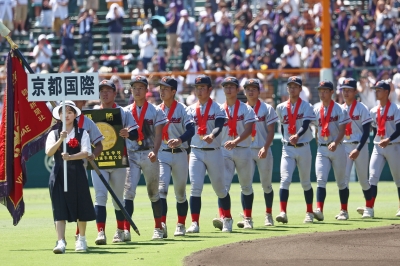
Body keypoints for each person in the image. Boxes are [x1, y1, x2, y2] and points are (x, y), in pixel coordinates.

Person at [92, 80, 139, 245]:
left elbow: (136, 133)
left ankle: (119, 231)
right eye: (102, 90)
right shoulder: (93, 113)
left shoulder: (123, 112)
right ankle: (100, 232)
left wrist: (128, 133)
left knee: (118, 198)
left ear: (114, 93)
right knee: (100, 197)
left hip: (118, 160)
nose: (105, 93)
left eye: (108, 90)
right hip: (99, 160)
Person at [46, 102, 96, 253]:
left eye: (69, 112)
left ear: (75, 115)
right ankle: (61, 241)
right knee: (59, 207)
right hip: (58, 173)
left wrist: (71, 157)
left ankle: (81, 239)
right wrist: (61, 140)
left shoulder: (82, 133)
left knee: (81, 205)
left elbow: (86, 152)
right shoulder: (53, 134)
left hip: (77, 172)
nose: (66, 115)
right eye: (63, 112)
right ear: (59, 116)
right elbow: (49, 152)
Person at [186, 75, 232, 233]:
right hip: (196, 151)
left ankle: (227, 219)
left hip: (214, 152)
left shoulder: (218, 107)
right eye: (197, 88)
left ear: (209, 89)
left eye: (202, 87)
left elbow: (219, 126)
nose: (199, 91)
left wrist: (212, 135)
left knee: (220, 189)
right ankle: (194, 223)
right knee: (195, 188)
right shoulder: (190, 109)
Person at [123, 76, 167, 240]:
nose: (137, 90)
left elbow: (158, 134)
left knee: (153, 193)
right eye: (135, 87)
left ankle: (158, 227)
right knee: (128, 193)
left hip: (149, 153)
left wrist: (155, 151)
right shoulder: (126, 111)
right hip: (132, 154)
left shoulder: (156, 111)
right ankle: (126, 230)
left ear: (146, 90)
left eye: (141, 87)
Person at [211, 77, 256, 231]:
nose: (228, 89)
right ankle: (223, 217)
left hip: (242, 149)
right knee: (222, 186)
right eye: (226, 87)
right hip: (224, 150)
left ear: (238, 90)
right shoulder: (218, 109)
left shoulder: (246, 108)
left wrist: (235, 141)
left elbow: (249, 129)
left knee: (246, 186)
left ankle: (248, 218)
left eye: (232, 86)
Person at [157, 76, 195, 237]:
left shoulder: (183, 109)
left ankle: (180, 224)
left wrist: (180, 139)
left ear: (174, 91)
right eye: (161, 88)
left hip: (179, 153)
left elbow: (191, 130)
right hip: (162, 154)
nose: (162, 91)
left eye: (166, 89)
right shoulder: (156, 110)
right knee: (161, 190)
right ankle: (161, 225)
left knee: (180, 193)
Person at [275, 76, 315, 224]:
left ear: (300, 89)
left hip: (303, 146)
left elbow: (305, 125)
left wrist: (297, 135)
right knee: (284, 180)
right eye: (290, 86)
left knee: (305, 182)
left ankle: (309, 212)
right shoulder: (280, 108)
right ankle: (283, 212)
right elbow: (282, 126)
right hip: (288, 148)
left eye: (295, 86)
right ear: (287, 89)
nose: (292, 89)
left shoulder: (306, 106)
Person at [312, 80, 351, 222]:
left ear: (331, 92)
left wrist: (335, 142)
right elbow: (316, 129)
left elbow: (343, 129)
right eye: (320, 91)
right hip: (322, 149)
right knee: (320, 180)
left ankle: (344, 210)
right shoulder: (316, 109)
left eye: (325, 91)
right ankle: (319, 210)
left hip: (338, 147)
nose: (322, 93)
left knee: (341, 182)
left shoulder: (340, 109)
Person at [244, 78, 278, 226]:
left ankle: (268, 214)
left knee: (266, 185)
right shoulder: (241, 109)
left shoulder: (267, 108)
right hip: (246, 150)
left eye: (253, 88)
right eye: (248, 88)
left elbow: (271, 130)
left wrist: (265, 147)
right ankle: (247, 218)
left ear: (259, 91)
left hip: (262, 149)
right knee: (246, 185)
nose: (250, 91)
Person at [339, 78, 374, 218]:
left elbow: (367, 132)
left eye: (349, 90)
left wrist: (358, 149)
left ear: (355, 91)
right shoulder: (340, 108)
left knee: (363, 180)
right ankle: (343, 210)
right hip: (345, 146)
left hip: (360, 146)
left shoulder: (362, 108)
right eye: (344, 90)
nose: (346, 92)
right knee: (343, 179)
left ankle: (369, 208)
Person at [366, 80, 400, 217]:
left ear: (387, 92)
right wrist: (379, 140)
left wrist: (389, 139)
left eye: (379, 89)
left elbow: (399, 129)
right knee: (372, 177)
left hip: (394, 146)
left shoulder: (396, 109)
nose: (376, 92)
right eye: (376, 89)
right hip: (378, 146)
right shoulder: (373, 110)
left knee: (398, 179)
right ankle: (369, 208)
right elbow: (374, 130)